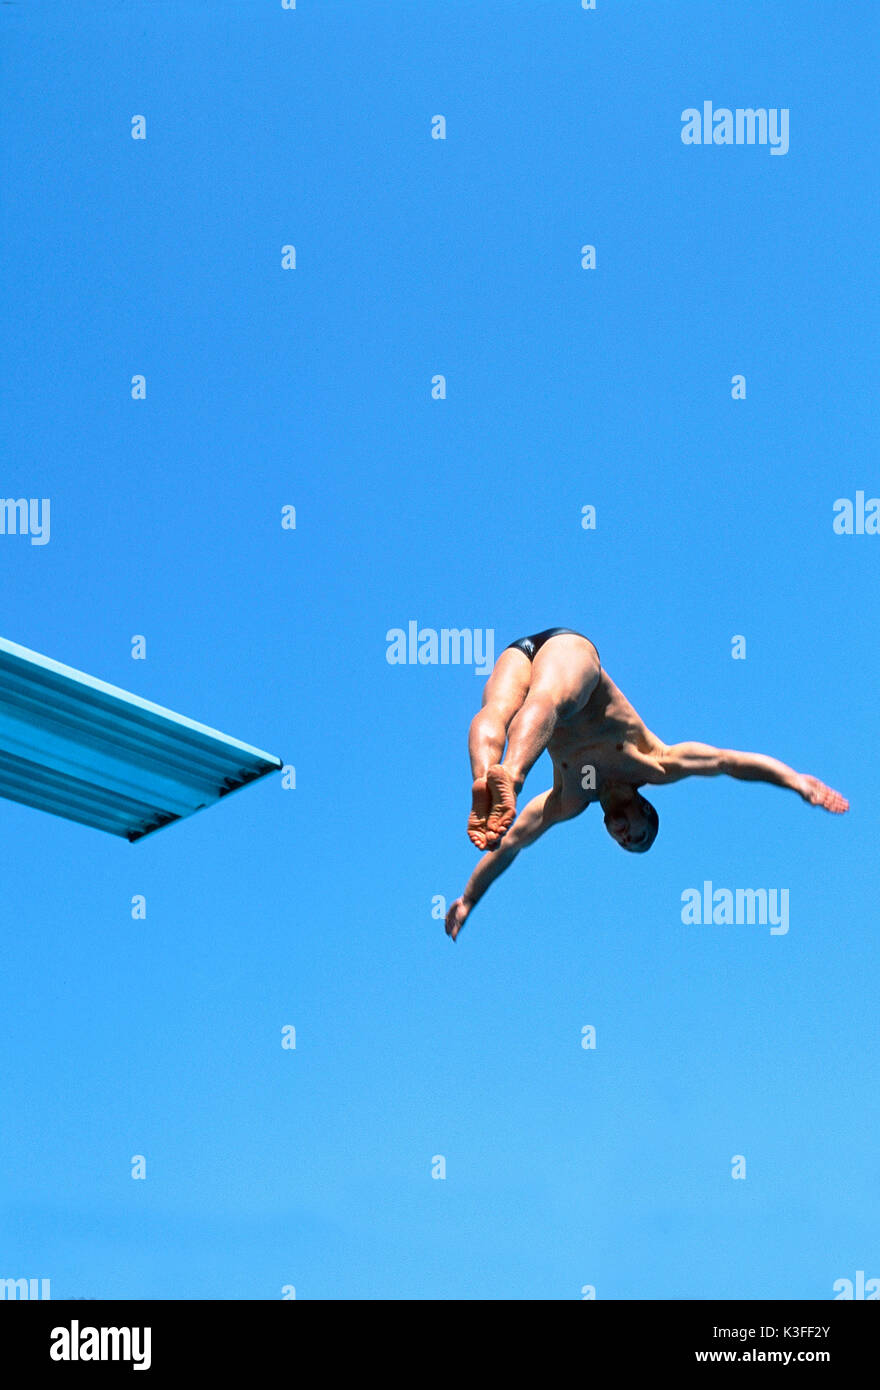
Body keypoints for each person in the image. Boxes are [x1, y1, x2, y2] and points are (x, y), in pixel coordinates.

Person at [446, 627, 848, 941]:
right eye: (637, 837)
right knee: (551, 699)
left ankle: (484, 777)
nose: (624, 837)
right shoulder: (654, 762)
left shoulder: (569, 799)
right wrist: (796, 781)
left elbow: (511, 843)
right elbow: (728, 762)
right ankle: (511, 776)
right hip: (571, 652)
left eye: (623, 843)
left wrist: (469, 897)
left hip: (521, 652)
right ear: (645, 810)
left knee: (496, 712)